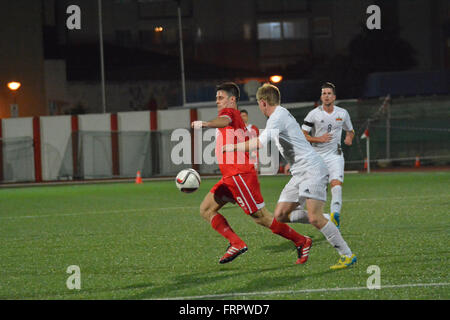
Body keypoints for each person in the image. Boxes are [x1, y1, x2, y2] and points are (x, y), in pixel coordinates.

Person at [223, 83, 357, 270]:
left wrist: (232, 147)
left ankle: (347, 254)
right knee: (280, 214)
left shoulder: (277, 117)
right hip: (299, 171)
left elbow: (260, 143)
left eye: (259, 105)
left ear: (263, 103)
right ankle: (327, 218)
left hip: (311, 169)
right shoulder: (281, 115)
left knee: (314, 218)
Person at [191, 82, 312, 265]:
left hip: (239, 175)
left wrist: (206, 123)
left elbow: (224, 120)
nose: (217, 101)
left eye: (220, 97)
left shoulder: (230, 112)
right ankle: (236, 243)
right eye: (216, 98)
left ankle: (301, 241)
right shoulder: (232, 117)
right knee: (206, 209)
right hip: (230, 177)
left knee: (262, 217)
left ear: (232, 100)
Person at [300, 82, 355, 229]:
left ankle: (335, 214)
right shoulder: (314, 114)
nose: (326, 96)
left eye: (329, 93)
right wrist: (318, 139)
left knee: (336, 184)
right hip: (317, 156)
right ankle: (319, 216)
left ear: (334, 97)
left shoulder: (342, 113)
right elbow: (302, 134)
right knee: (315, 190)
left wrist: (349, 137)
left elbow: (350, 130)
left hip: (335, 154)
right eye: (324, 93)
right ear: (321, 96)